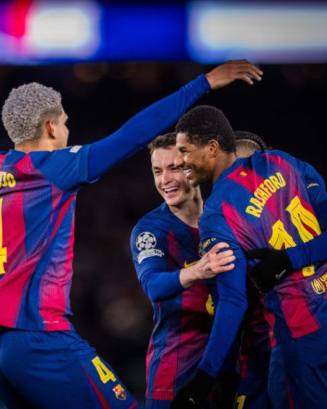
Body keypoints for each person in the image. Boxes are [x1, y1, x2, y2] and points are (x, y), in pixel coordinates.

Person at [0, 61, 263, 409]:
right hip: (40, 337)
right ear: (51, 127)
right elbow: (131, 136)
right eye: (65, 122)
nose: (67, 129)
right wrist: (202, 84)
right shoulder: (53, 167)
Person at [170, 105, 327, 409]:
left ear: (212, 148)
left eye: (184, 151)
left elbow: (233, 301)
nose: (179, 162)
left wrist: (205, 376)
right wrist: (303, 255)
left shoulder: (217, 214)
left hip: (298, 336)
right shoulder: (281, 162)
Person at [129, 132, 237, 409]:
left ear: (193, 168)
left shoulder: (225, 217)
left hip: (230, 367)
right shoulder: (150, 230)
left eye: (174, 168)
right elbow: (153, 285)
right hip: (176, 371)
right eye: (157, 171)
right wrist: (199, 270)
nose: (165, 179)